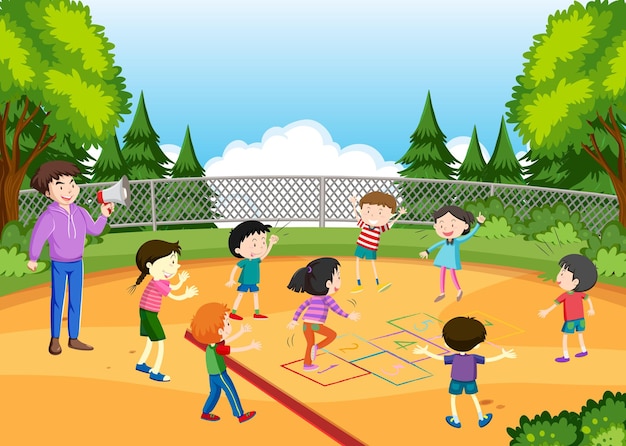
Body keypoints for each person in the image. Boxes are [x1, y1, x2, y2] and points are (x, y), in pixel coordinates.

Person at [27, 160, 113, 355]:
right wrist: (33, 257)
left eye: (72, 184)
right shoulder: (49, 216)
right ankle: (55, 339)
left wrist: (103, 216)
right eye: (60, 185)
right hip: (59, 263)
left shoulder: (80, 212)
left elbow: (94, 230)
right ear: (48, 193)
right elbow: (38, 236)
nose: (69, 189)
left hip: (77, 263)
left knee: (76, 300)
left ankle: (73, 338)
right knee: (58, 300)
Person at [413, 316, 516, 429]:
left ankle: (455, 420)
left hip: (455, 381)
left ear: (447, 344)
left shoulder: (454, 358)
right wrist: (503, 355)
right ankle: (481, 418)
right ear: (476, 345)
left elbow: (439, 358)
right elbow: (488, 360)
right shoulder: (474, 357)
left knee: (453, 398)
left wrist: (426, 352)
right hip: (470, 381)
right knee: (473, 397)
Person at [128, 240, 198, 382]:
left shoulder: (159, 280)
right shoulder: (158, 282)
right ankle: (156, 371)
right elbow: (173, 295)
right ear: (149, 265)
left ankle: (141, 363)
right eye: (170, 263)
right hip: (149, 314)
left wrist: (182, 282)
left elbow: (172, 288)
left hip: (145, 312)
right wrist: (187, 294)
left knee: (149, 339)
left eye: (174, 262)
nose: (175, 267)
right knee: (160, 342)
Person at [190, 302, 261, 423]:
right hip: (220, 374)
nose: (229, 325)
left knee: (214, 393)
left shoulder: (212, 344)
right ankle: (240, 415)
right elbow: (233, 349)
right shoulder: (217, 348)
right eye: (227, 323)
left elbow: (227, 340)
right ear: (219, 331)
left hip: (212, 375)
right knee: (231, 391)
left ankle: (205, 412)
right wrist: (251, 346)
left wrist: (241, 332)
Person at [287, 257, 360, 371]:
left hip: (306, 325)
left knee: (309, 344)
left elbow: (301, 308)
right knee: (332, 335)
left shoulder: (312, 299)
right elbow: (337, 309)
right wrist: (348, 315)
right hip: (315, 325)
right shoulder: (327, 299)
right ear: (328, 283)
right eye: (338, 277)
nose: (339, 281)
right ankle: (317, 348)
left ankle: (307, 364)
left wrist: (294, 320)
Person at [419, 205, 485, 302]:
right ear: (435, 226)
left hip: (452, 259)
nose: (446, 229)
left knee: (452, 274)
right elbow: (436, 245)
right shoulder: (445, 241)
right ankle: (442, 292)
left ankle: (459, 290)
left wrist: (479, 224)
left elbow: (470, 235)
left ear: (465, 226)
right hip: (443, 258)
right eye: (441, 225)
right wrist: (427, 251)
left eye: (453, 225)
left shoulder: (457, 241)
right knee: (442, 274)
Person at [538, 254, 597, 363]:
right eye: (560, 273)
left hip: (570, 320)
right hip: (581, 319)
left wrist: (547, 311)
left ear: (575, 282)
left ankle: (566, 356)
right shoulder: (579, 294)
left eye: (562, 274)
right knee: (580, 335)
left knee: (566, 337)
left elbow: (556, 304)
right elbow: (588, 298)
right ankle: (583, 350)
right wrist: (591, 308)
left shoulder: (566, 295)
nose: (558, 278)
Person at [349, 191, 406, 293]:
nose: (373, 215)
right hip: (362, 245)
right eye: (368, 211)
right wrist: (353, 204)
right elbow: (357, 217)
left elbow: (389, 225)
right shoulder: (365, 224)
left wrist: (399, 215)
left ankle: (378, 283)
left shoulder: (380, 227)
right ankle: (358, 284)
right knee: (358, 263)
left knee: (372, 264)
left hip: (371, 247)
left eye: (380, 213)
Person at [226, 220, 278, 320]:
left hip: (253, 282)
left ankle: (256, 313)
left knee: (255, 295)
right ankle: (233, 312)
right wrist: (231, 279)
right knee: (240, 295)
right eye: (254, 244)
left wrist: (271, 243)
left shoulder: (256, 260)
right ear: (238, 250)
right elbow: (236, 268)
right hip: (245, 282)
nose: (260, 247)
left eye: (263, 242)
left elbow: (264, 254)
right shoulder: (245, 261)